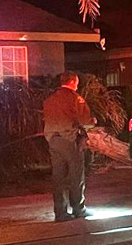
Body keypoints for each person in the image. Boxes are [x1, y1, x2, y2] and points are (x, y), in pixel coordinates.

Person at [43, 72, 96, 222]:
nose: (77, 85)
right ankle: (79, 209)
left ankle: (60, 212)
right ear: (72, 82)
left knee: (58, 177)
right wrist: (93, 121)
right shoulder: (75, 99)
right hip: (70, 140)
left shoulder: (50, 100)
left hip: (53, 140)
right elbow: (85, 120)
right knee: (76, 174)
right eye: (77, 83)